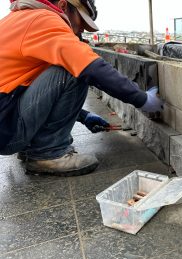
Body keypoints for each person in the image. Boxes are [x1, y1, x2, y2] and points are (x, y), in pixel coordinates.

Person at [0, 0, 164, 176]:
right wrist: (142, 99)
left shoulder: (18, 19)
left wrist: (84, 116)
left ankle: (32, 149)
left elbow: (27, 86)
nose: (81, 31)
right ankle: (48, 153)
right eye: (81, 22)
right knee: (74, 69)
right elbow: (91, 67)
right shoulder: (43, 19)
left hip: (5, 122)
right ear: (63, 6)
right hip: (7, 129)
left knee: (64, 65)